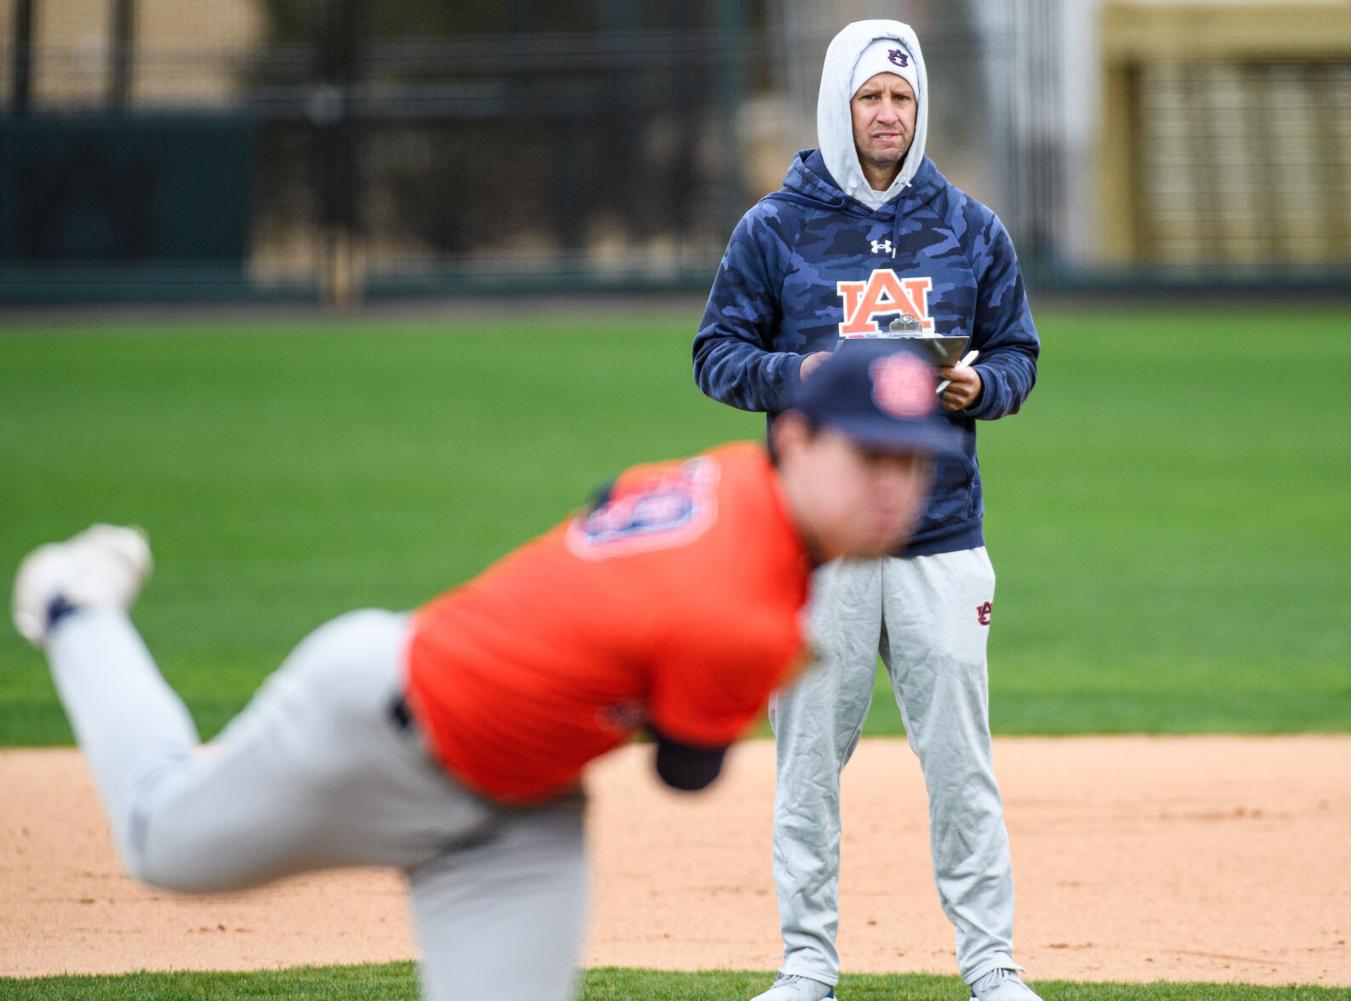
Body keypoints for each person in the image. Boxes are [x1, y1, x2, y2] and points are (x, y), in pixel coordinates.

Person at [10, 341, 958, 1001]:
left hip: (520, 818)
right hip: (381, 726)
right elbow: (686, 767)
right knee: (160, 839)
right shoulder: (741, 622)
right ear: (795, 438)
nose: (894, 487)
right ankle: (77, 608)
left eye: (913, 463)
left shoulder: (729, 473)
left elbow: (613, 493)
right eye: (869, 454)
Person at [692, 18, 1042, 1001]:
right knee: (807, 759)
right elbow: (714, 353)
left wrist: (985, 386)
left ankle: (992, 964)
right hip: (817, 543)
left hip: (942, 531)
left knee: (962, 764)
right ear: (837, 106)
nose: (888, 114)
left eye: (902, 97)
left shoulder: (972, 227)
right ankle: (807, 963)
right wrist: (792, 374)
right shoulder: (773, 228)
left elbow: (1020, 351)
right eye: (870, 97)